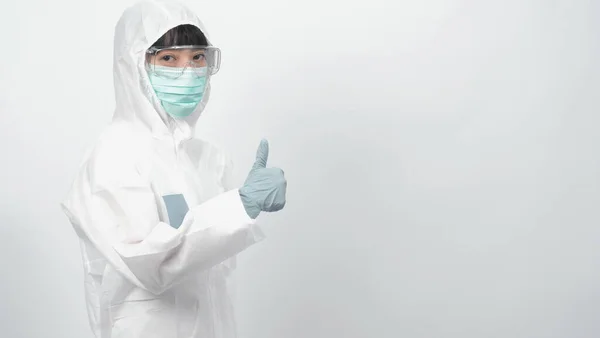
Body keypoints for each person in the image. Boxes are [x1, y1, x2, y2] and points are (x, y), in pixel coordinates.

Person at [60, 1, 287, 337]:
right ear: (133, 64)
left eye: (197, 58)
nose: (189, 70)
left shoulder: (208, 159)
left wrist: (240, 207)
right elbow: (152, 265)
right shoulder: (113, 155)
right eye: (169, 58)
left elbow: (210, 276)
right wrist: (241, 206)